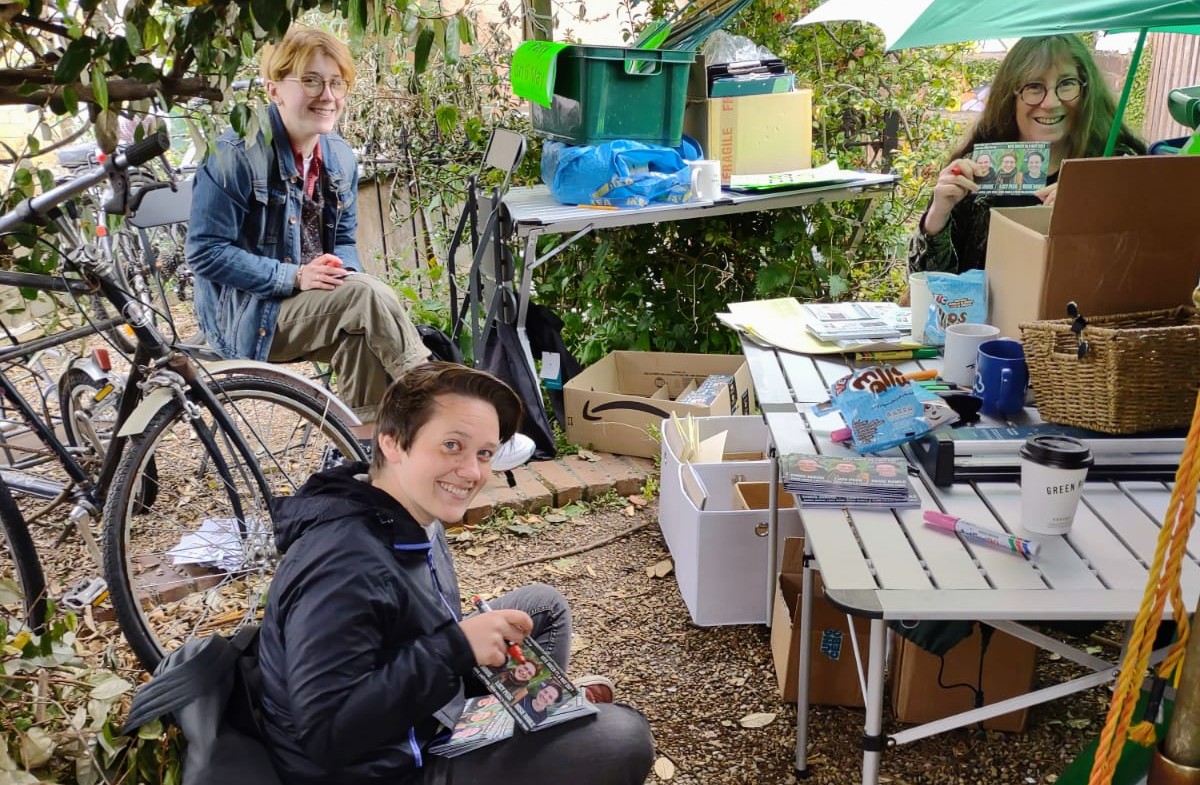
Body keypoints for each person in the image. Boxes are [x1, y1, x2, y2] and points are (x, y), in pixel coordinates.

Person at [256, 361, 654, 785]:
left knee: (543, 607)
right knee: (623, 737)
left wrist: (460, 642)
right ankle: (540, 740)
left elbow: (405, 628)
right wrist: (456, 648)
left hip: (411, 711)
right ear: (392, 443)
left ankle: (533, 721)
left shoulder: (407, 509)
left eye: (484, 453)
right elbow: (326, 735)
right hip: (379, 768)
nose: (472, 472)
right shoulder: (341, 565)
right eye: (451, 445)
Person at [186, 28, 428, 441]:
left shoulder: (339, 157)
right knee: (364, 297)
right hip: (247, 315)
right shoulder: (235, 154)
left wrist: (341, 270)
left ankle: (361, 455)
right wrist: (295, 276)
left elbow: (345, 242)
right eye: (311, 80)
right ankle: (443, 404)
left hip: (313, 305)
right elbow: (205, 253)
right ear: (274, 89)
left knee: (360, 336)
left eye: (337, 83)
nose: (328, 95)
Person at [909, 34, 1145, 275]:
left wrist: (1098, 211)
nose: (1051, 102)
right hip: (990, 313)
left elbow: (1145, 268)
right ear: (1010, 96)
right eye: (1034, 87)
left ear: (1087, 91)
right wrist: (938, 217)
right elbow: (927, 283)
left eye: (1066, 84)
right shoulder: (976, 172)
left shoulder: (1120, 169)